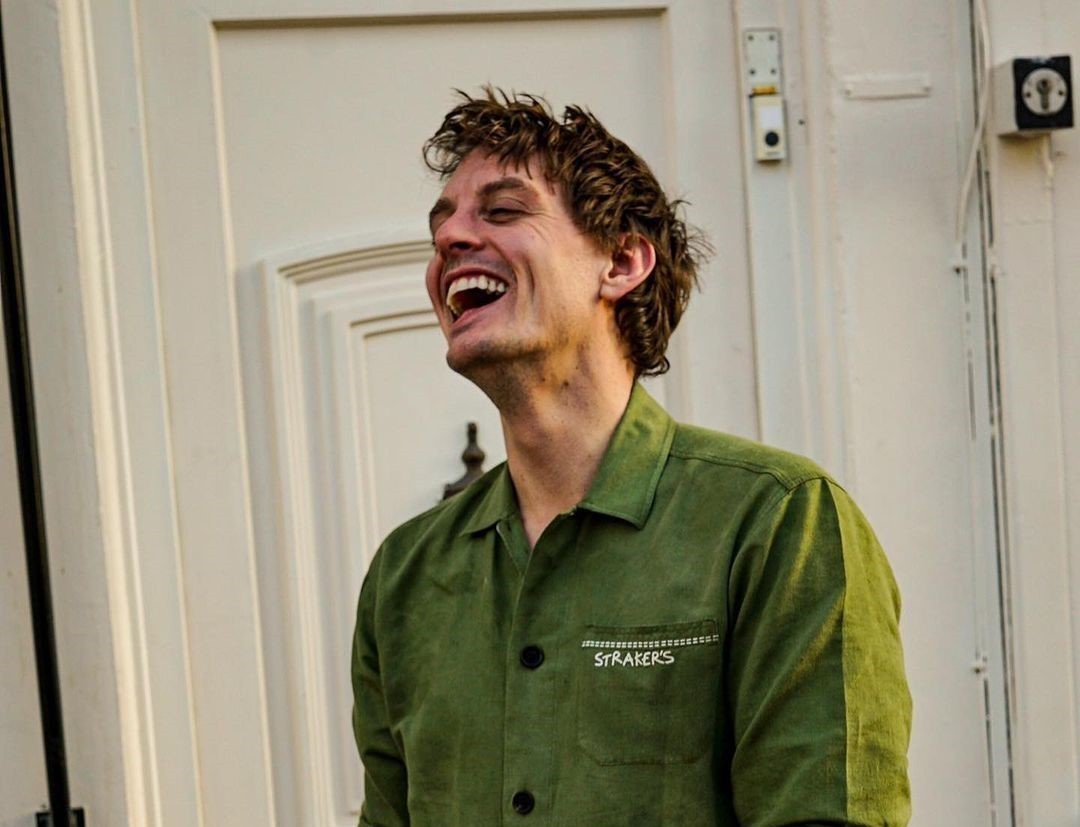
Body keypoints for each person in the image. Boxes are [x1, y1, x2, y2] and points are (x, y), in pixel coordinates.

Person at [352, 88, 911, 826]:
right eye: (441, 225)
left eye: (503, 210)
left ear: (620, 261)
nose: (451, 237)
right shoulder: (405, 576)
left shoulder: (780, 523)